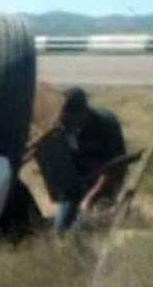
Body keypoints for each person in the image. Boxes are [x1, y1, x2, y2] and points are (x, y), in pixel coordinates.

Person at [54, 87, 127, 231]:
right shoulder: (64, 125)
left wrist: (90, 198)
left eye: (69, 119)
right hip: (78, 181)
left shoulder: (105, 126)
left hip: (106, 181)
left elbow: (113, 169)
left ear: (82, 112)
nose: (65, 123)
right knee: (60, 229)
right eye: (63, 118)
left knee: (85, 228)